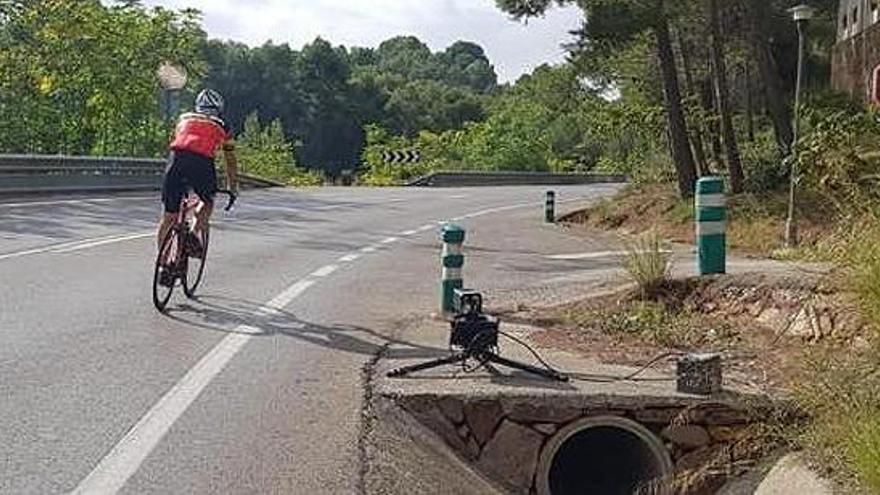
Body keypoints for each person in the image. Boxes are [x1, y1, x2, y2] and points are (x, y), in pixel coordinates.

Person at [157, 89, 238, 266]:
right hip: (202, 162)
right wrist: (233, 187)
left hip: (176, 160)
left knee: (168, 217)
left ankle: (163, 263)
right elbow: (230, 160)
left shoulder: (183, 118)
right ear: (219, 109)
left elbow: (175, 141)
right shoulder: (223, 125)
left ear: (197, 106)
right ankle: (193, 233)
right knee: (207, 201)